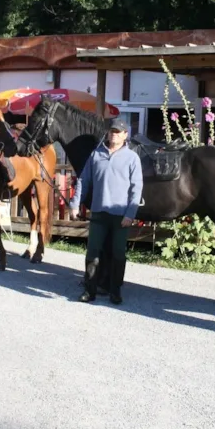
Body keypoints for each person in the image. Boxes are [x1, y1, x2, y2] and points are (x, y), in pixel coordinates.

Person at [69, 117, 143, 305]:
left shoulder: (132, 158)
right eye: (111, 131)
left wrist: (130, 214)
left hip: (120, 216)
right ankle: (90, 290)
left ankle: (115, 290)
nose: (113, 134)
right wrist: (75, 204)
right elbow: (84, 180)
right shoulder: (96, 155)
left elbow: (137, 188)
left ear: (125, 135)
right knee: (93, 252)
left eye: (118, 132)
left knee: (118, 253)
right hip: (99, 213)